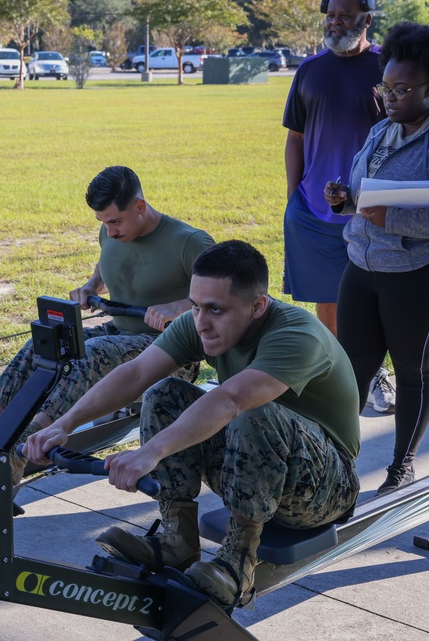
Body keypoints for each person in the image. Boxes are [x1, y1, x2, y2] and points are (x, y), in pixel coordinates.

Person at [26, 240, 360, 608]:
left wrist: (148, 453)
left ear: (258, 306)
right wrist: (66, 424)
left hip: (324, 490)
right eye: (195, 306)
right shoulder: (202, 324)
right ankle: (176, 542)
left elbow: (231, 399)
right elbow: (136, 373)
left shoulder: (297, 334)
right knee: (164, 393)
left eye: (215, 309)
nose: (201, 321)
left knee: (254, 410)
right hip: (260, 470)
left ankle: (238, 565)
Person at [0, 165, 214, 484]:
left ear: (139, 206)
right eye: (103, 223)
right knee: (44, 345)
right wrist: (92, 286)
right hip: (119, 336)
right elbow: (108, 265)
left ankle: (22, 450)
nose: (110, 231)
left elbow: (224, 302)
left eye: (115, 221)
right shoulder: (111, 233)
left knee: (86, 355)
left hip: (169, 353)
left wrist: (177, 308)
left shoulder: (189, 242)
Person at [324, 22, 429, 495]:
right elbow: (367, 199)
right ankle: (333, 463)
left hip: (424, 269)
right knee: (351, 367)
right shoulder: (380, 132)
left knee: (413, 368)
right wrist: (346, 201)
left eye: (401, 89)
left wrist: (389, 217)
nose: (390, 97)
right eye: (385, 87)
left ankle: (401, 467)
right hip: (365, 264)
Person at [282, 0, 396, 414]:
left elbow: (406, 135)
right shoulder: (309, 70)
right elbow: (295, 139)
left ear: (367, 19)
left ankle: (375, 372)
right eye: (331, 14)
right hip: (312, 211)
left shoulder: (387, 68)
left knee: (374, 298)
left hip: (370, 209)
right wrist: (294, 199)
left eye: (346, 16)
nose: (335, 21)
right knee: (326, 298)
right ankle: (334, 373)